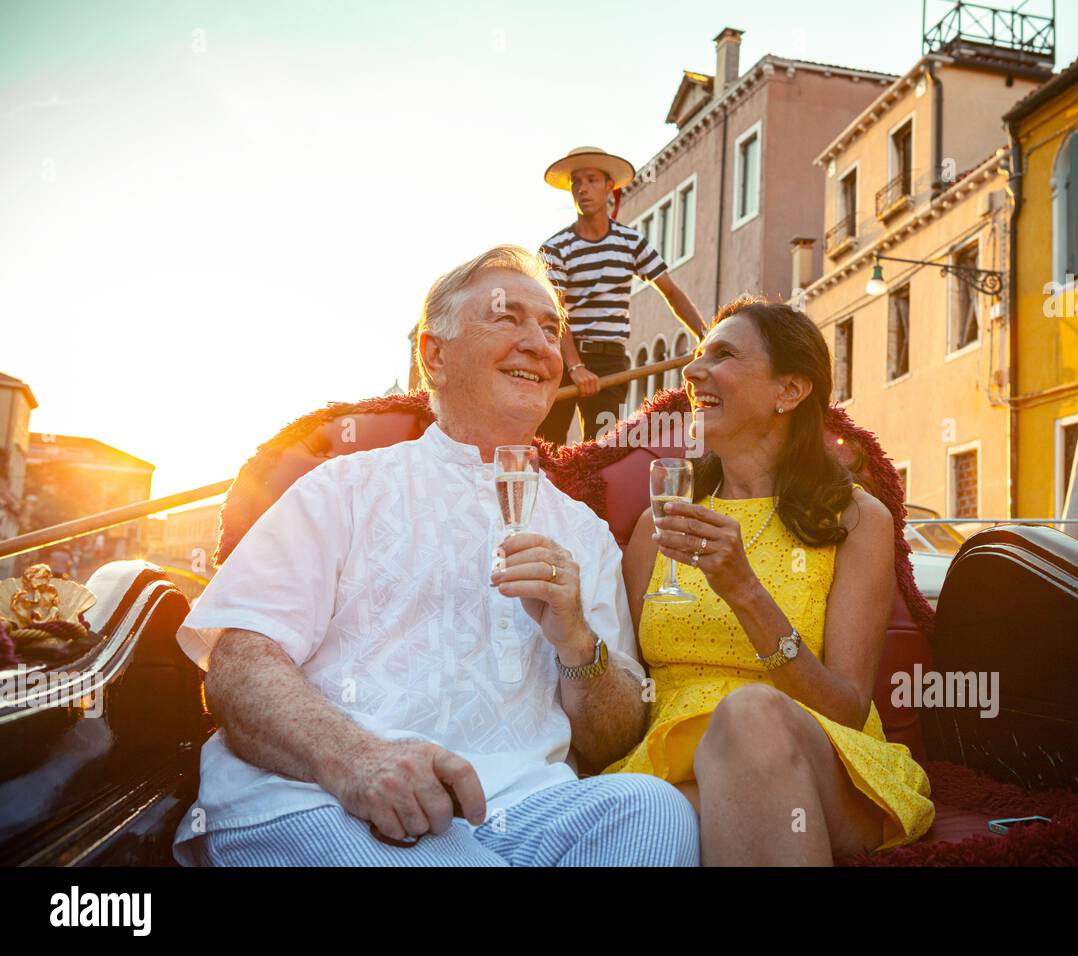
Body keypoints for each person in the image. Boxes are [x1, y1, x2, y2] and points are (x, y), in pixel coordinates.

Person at [171, 245, 698, 866]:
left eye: (551, 328)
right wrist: (356, 760)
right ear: (434, 355)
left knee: (653, 812)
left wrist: (578, 642)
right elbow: (238, 664)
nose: (540, 344)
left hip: (523, 808)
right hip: (323, 797)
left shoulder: (585, 535)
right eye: (508, 319)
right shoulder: (342, 488)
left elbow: (612, 738)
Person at [605, 297, 935, 866]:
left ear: (790, 391)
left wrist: (745, 592)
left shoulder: (855, 520)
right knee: (667, 807)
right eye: (698, 355)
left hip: (819, 761)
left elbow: (847, 709)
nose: (692, 371)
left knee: (750, 713)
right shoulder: (657, 525)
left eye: (724, 355)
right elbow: (629, 697)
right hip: (669, 767)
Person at [537, 146, 706, 445]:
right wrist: (575, 366)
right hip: (563, 358)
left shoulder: (631, 242)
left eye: (591, 180)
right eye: (576, 182)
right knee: (547, 444)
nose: (582, 189)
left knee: (603, 447)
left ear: (609, 187)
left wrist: (707, 338)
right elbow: (555, 313)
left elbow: (671, 292)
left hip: (610, 363)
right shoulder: (555, 247)